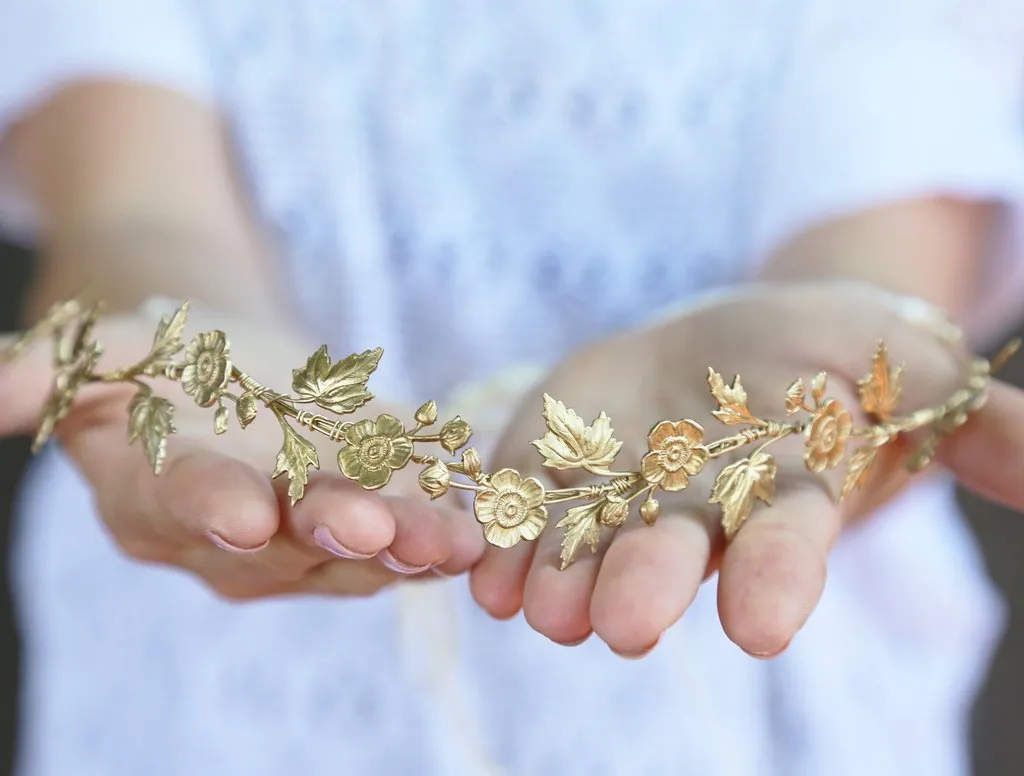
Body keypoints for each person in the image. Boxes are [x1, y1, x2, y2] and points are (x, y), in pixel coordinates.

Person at [1, 2, 1023, 774]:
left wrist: (836, 356)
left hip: (740, 707)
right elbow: (133, 208)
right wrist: (175, 322)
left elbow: (884, 225)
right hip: (203, 694)